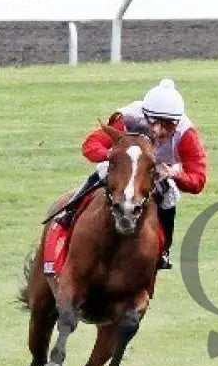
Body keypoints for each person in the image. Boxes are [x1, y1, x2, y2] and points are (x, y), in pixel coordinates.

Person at [56, 78, 208, 270]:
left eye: (167, 125)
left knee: (169, 195)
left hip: (159, 170)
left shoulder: (187, 135)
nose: (158, 130)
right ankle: (70, 213)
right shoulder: (128, 117)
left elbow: (198, 180)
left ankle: (164, 249)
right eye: (153, 122)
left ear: (177, 123)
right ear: (145, 115)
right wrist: (111, 156)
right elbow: (91, 145)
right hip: (125, 164)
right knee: (103, 171)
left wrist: (173, 174)